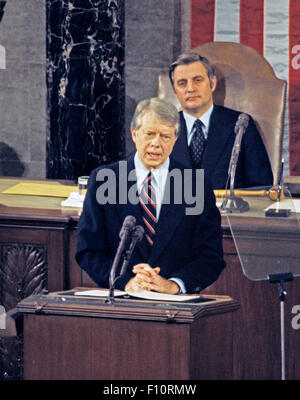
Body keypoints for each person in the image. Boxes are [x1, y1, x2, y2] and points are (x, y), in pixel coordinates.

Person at [76, 98, 225, 294]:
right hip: (120, 300)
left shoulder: (196, 184)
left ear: (175, 140)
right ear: (134, 134)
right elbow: (88, 251)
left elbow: (210, 257)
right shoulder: (106, 180)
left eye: (164, 136)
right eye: (150, 134)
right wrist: (126, 283)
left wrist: (173, 285)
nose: (156, 144)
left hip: (175, 305)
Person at [169, 53, 273, 189]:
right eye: (182, 83)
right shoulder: (162, 127)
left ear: (212, 83)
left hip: (228, 210)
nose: (190, 88)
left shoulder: (241, 125)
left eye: (197, 80)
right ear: (175, 90)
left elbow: (261, 188)